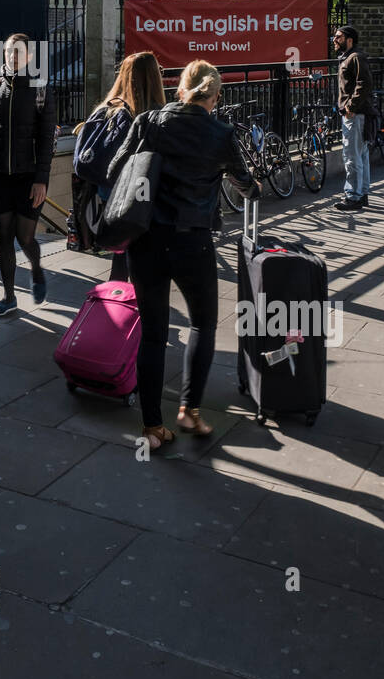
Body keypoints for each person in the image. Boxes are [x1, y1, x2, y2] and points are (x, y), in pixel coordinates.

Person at [119, 59, 260, 451]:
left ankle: (151, 426)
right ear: (213, 97)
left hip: (146, 240)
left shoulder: (149, 122)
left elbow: (117, 168)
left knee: (153, 333)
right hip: (192, 241)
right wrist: (253, 189)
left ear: (180, 88)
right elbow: (244, 183)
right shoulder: (220, 133)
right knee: (202, 324)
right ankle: (189, 410)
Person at [0, 32, 57, 316]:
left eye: (19, 52)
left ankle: (35, 267)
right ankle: (9, 297)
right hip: (1, 175)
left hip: (29, 175)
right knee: (3, 235)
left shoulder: (41, 88)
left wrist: (41, 179)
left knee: (25, 238)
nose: (13, 56)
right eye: (10, 52)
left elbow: (47, 139)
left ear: (30, 56)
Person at [82, 52, 167, 281]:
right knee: (144, 266)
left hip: (110, 198)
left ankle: (118, 303)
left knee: (121, 262)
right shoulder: (156, 116)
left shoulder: (107, 109)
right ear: (154, 77)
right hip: (143, 199)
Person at [333, 24, 376, 212]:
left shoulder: (355, 57)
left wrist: (350, 106)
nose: (334, 40)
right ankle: (362, 193)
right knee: (361, 155)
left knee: (352, 156)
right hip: (356, 114)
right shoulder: (348, 57)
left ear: (349, 39)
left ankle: (353, 197)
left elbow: (364, 84)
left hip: (356, 114)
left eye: (338, 37)